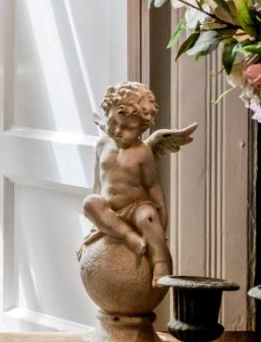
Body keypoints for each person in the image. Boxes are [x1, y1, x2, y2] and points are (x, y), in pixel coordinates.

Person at [81, 82, 197, 286]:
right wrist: (95, 224)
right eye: (112, 122)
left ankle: (160, 262)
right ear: (107, 115)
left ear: (142, 127)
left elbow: (152, 185)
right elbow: (97, 181)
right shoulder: (102, 144)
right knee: (90, 203)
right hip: (109, 210)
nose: (117, 130)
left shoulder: (142, 152)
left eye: (127, 127)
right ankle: (128, 237)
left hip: (135, 207)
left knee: (148, 217)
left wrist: (160, 217)